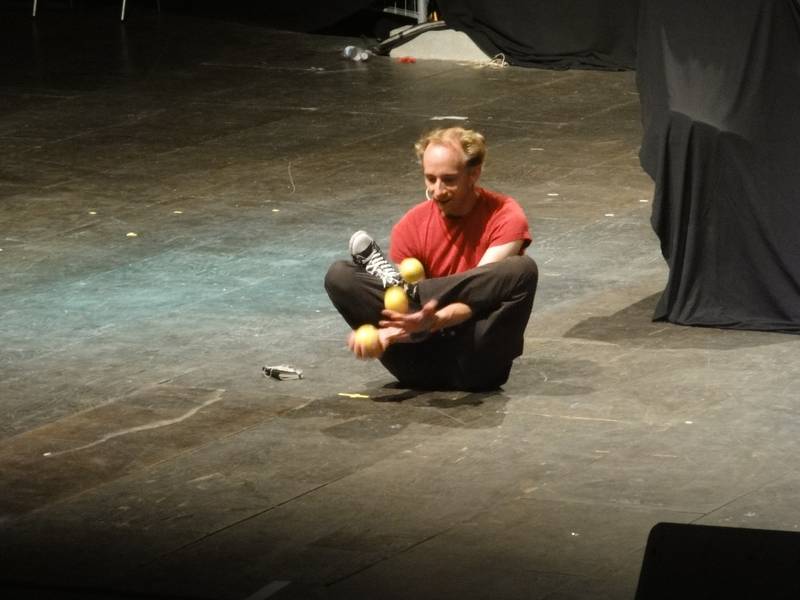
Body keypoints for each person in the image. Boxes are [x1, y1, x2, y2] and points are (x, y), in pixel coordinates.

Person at [324, 127, 538, 391]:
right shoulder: (411, 225)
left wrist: (433, 319)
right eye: (430, 179)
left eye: (449, 180)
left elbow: (478, 299)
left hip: (477, 360)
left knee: (523, 270)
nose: (437, 190)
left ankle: (413, 291)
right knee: (340, 275)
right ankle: (409, 292)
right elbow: (409, 317)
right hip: (417, 357)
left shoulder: (505, 216)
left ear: (474, 173)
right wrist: (398, 329)